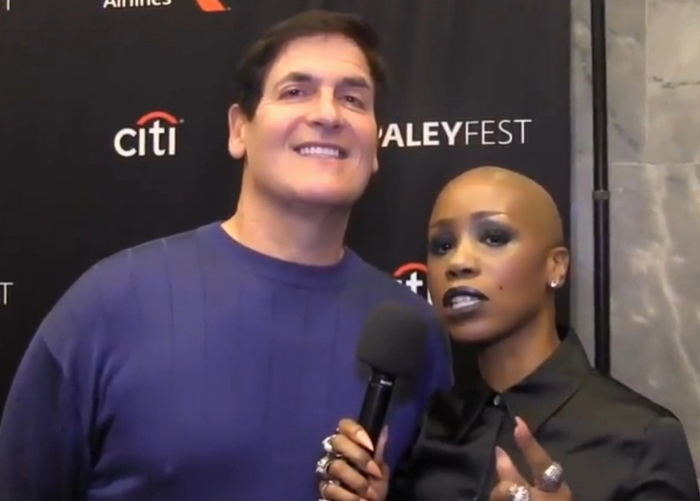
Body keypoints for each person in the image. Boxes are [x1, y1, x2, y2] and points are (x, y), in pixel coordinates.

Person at [0, 9, 453, 501]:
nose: (328, 114)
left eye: (352, 98)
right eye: (295, 91)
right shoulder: (111, 303)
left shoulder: (414, 336)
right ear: (240, 129)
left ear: (376, 142)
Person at [317, 166, 700, 501]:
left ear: (556, 266)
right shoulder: (431, 425)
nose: (458, 262)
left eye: (494, 238)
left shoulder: (642, 438)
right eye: (442, 245)